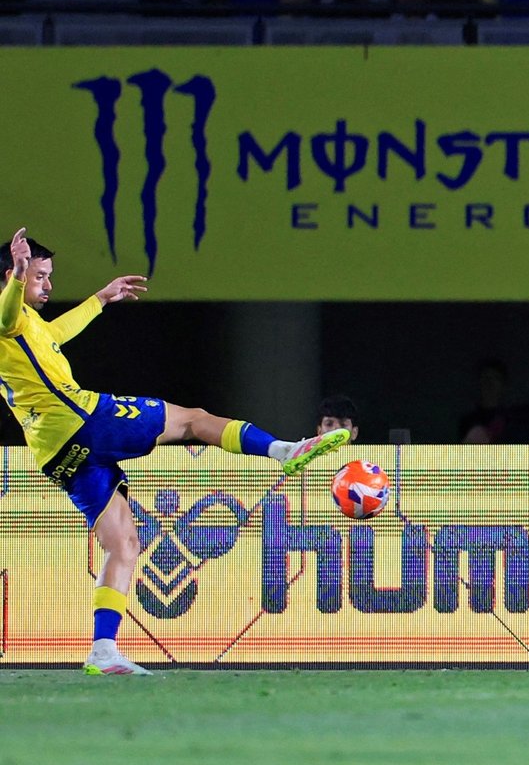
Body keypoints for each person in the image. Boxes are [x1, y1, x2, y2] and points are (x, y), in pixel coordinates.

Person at [1, 228, 350, 675]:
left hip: (55, 451)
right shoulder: (8, 314)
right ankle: (285, 450)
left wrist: (100, 299)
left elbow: (55, 333)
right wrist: (18, 275)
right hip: (84, 421)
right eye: (40, 276)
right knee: (191, 419)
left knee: (124, 544)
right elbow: (7, 314)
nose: (48, 284)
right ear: (13, 275)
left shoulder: (26, 325)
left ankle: (103, 651)